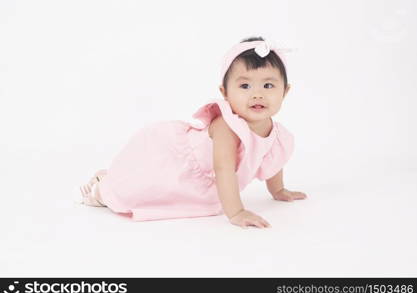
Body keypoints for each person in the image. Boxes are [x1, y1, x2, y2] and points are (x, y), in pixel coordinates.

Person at [79, 36, 307, 229]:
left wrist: (277, 190)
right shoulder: (226, 126)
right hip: (177, 168)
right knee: (139, 191)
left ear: (285, 91)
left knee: (148, 189)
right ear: (225, 92)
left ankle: (111, 177)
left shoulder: (276, 133)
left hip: (207, 182)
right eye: (245, 86)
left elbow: (271, 160)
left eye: (268, 86)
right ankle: (103, 190)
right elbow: (223, 168)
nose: (257, 94)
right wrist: (236, 212)